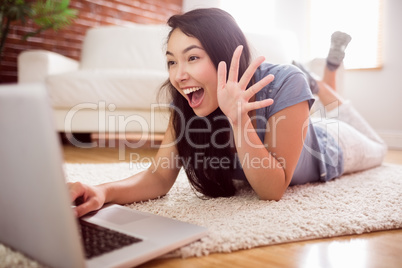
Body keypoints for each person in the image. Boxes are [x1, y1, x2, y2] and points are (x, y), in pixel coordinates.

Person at [69, 8, 387, 217]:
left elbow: (272, 189)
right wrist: (103, 190)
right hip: (299, 125)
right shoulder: (186, 100)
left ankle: (323, 82)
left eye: (192, 58)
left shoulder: (286, 81)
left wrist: (238, 119)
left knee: (379, 146)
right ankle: (320, 85)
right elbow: (159, 176)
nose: (178, 74)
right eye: (171, 61)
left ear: (223, 52)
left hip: (335, 146)